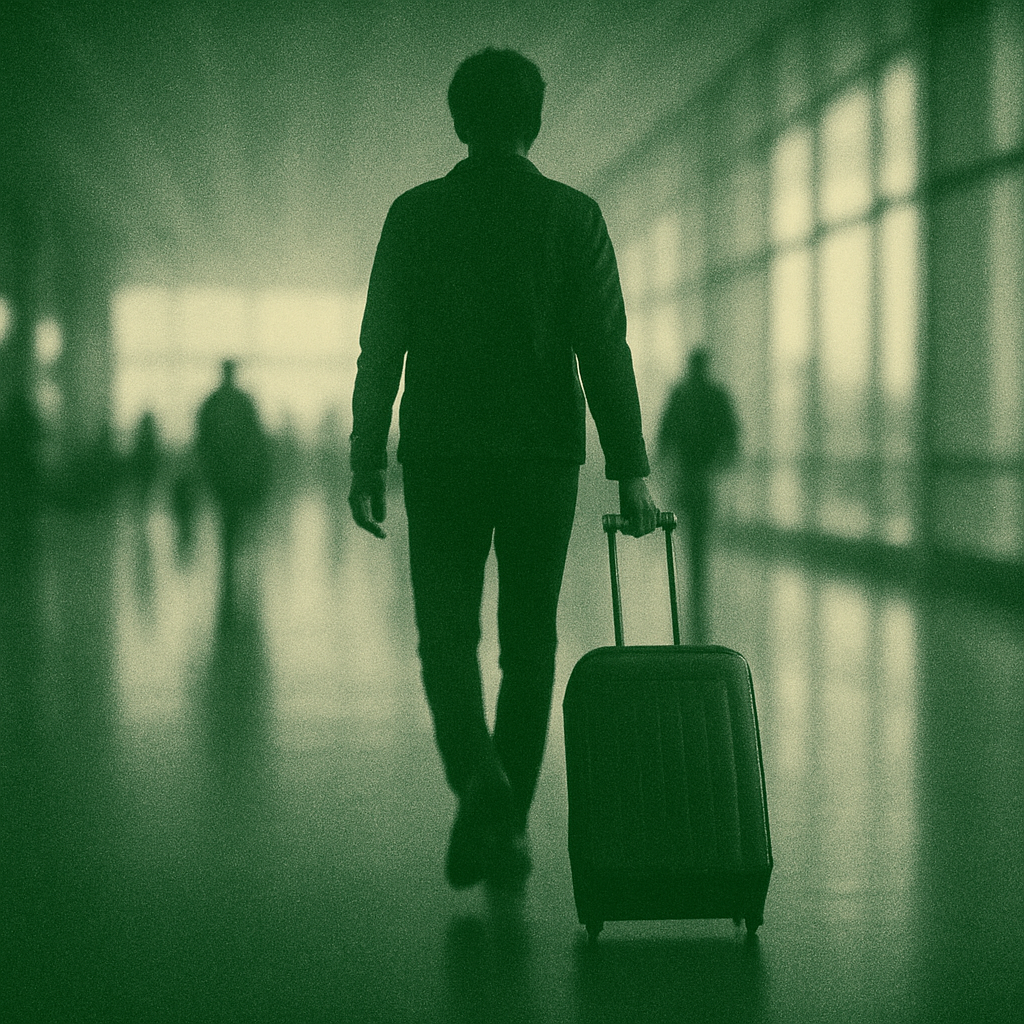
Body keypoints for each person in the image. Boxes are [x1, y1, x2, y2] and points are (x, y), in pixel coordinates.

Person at [348, 48, 658, 892]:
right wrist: (631, 468)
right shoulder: (573, 216)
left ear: (459, 121)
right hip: (541, 460)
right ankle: (508, 819)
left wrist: (365, 454)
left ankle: (479, 784)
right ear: (536, 123)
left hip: (441, 455)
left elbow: (382, 345)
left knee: (444, 635)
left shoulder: (415, 214)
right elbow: (604, 346)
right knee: (529, 644)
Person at [657, 347, 740, 642]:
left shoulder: (682, 395)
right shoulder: (715, 396)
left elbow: (666, 430)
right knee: (699, 522)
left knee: (692, 521)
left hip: (688, 468)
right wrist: (727, 456)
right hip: (703, 469)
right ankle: (697, 572)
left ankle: (694, 569)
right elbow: (731, 429)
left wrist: (663, 459)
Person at [195, 359, 269, 586]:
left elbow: (202, 436)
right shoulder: (242, 401)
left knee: (227, 510)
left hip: (221, 468)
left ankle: (229, 550)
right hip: (236, 468)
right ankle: (232, 548)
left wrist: (206, 462)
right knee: (234, 510)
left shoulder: (213, 402)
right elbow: (255, 436)